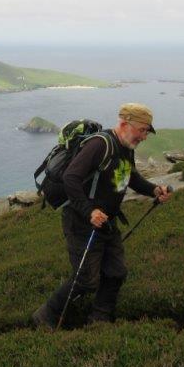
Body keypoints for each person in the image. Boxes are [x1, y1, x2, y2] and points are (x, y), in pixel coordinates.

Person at [33, 103, 172, 329]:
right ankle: (45, 315)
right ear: (124, 124)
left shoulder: (126, 147)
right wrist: (90, 211)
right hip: (81, 222)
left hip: (107, 222)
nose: (144, 137)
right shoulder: (100, 145)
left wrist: (154, 190)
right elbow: (71, 178)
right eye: (142, 130)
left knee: (116, 272)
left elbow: (130, 176)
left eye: (147, 132)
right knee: (86, 279)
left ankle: (99, 320)